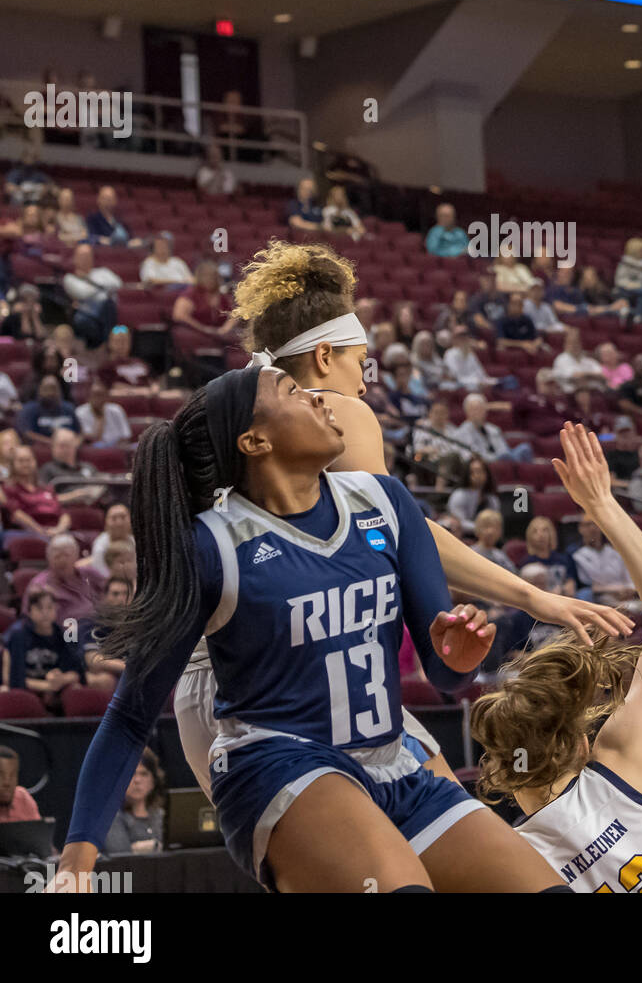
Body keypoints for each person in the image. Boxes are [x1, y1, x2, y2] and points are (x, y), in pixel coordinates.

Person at [53, 364, 569, 894]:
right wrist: (76, 862)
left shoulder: (384, 502)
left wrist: (460, 658)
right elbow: (132, 715)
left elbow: (446, 676)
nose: (321, 399)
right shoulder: (212, 545)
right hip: (277, 763)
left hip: (394, 762)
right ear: (254, 440)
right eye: (294, 391)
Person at [167, 240, 630, 809]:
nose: (364, 383)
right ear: (323, 357)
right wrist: (536, 598)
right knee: (427, 838)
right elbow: (403, 527)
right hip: (276, 669)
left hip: (217, 683)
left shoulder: (233, 417)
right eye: (360, 362)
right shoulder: (335, 411)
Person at [474, 423, 642, 893]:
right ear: (578, 743)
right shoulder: (620, 759)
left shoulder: (508, 863)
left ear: (499, 771)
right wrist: (602, 505)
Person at [2, 588, 84, 709]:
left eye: (50, 607)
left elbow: (77, 672)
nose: (45, 613)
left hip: (54, 690)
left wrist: (61, 679)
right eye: (39, 608)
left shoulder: (64, 634)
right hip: (28, 688)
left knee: (76, 689)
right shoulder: (17, 635)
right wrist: (46, 686)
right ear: (29, 611)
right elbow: (14, 680)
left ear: (56, 609)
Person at [23, 533, 106, 624]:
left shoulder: (89, 573)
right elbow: (30, 620)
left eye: (66, 555)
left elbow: (112, 590)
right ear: (48, 558)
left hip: (100, 626)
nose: (62, 560)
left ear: (76, 556)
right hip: (65, 634)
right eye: (57, 556)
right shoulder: (40, 585)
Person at [103, 750, 165, 856]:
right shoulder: (111, 817)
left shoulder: (161, 815)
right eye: (131, 774)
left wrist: (140, 848)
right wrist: (156, 846)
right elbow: (122, 856)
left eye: (144, 774)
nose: (137, 780)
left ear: (153, 780)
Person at [0, 446, 72, 536]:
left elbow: (63, 513)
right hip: (28, 533)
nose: (26, 464)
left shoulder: (47, 488)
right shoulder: (8, 489)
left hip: (56, 532)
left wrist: (59, 530)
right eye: (21, 461)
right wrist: (40, 531)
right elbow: (16, 515)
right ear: (12, 464)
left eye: (29, 460)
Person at [63, 243, 121, 348]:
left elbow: (118, 284)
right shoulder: (70, 278)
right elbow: (82, 293)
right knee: (84, 322)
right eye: (82, 256)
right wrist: (104, 288)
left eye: (88, 256)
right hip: (86, 314)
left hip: (107, 311)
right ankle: (105, 346)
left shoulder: (103, 272)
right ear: (75, 258)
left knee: (108, 305)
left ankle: (107, 345)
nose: (85, 259)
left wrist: (95, 287)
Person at [568, 517, 636, 604]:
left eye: (596, 524)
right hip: (599, 597)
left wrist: (629, 591)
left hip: (626, 596)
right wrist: (614, 590)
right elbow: (587, 586)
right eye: (588, 525)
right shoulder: (575, 555)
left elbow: (629, 580)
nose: (592, 528)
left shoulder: (615, 552)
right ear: (580, 529)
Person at [451, 393, 533, 464]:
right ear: (466, 412)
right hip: (486, 462)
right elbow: (469, 456)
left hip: (502, 459)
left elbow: (503, 450)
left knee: (525, 448)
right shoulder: (461, 433)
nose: (477, 412)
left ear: (485, 411)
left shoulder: (494, 429)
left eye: (480, 408)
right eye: (473, 409)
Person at [38, 428, 105, 507]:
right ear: (53, 447)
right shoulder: (48, 469)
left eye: (69, 445)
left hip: (94, 506)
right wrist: (74, 496)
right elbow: (43, 497)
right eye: (62, 445)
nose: (66, 449)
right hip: (66, 510)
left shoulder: (88, 467)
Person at [15, 374, 80, 444]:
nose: (50, 392)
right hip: (41, 449)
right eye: (46, 389)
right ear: (40, 390)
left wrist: (76, 443)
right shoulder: (30, 409)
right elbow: (27, 433)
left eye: (53, 388)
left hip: (68, 447)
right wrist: (52, 443)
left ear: (59, 390)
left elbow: (80, 432)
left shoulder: (69, 408)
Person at [523, 516, 577, 596]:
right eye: (535, 531)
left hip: (564, 599)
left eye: (545, 530)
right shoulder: (526, 563)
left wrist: (562, 591)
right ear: (529, 537)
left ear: (551, 534)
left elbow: (571, 586)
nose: (540, 535)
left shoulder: (564, 559)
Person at [446, 457, 501, 530]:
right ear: (467, 474)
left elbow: (495, 522)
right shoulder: (458, 495)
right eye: (473, 472)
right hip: (462, 536)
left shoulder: (492, 499)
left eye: (480, 471)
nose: (477, 475)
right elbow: (459, 523)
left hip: (486, 536)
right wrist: (482, 529)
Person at [75, 379, 132, 447]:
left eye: (101, 395)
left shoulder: (116, 409)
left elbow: (126, 435)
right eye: (95, 395)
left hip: (117, 447)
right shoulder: (80, 412)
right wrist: (99, 417)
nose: (98, 399)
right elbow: (90, 438)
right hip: (94, 450)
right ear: (89, 396)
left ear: (107, 396)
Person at [551, 327, 603, 394]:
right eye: (571, 342)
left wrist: (585, 375)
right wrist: (591, 376)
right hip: (571, 395)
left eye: (577, 342)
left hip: (594, 393)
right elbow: (575, 376)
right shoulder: (561, 359)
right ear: (565, 344)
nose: (574, 345)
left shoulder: (587, 359)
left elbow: (603, 375)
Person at [0, 746, 42, 823]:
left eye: (12, 775)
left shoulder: (23, 798)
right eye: (1, 775)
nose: (7, 782)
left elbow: (38, 833)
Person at [471, 509, 516, 573]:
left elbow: (513, 574)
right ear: (477, 528)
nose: (491, 531)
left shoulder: (501, 557)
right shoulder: (471, 553)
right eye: (486, 526)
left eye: (495, 527)